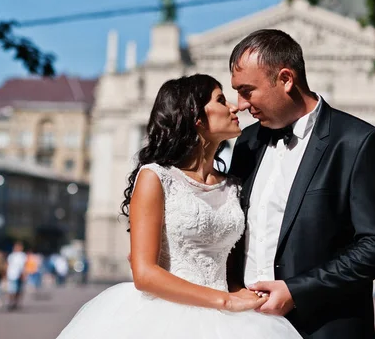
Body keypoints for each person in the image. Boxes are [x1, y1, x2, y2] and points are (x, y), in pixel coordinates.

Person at [56, 74, 301, 338]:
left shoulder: (233, 185)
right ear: (196, 117)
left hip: (230, 320)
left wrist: (240, 292)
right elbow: (144, 273)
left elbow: (229, 263)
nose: (234, 107)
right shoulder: (156, 177)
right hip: (165, 317)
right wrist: (225, 300)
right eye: (220, 100)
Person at [227, 29, 375, 338]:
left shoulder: (357, 142)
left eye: (247, 90)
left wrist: (297, 291)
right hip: (245, 327)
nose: (240, 104)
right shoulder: (246, 144)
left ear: (285, 79)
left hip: (323, 328)